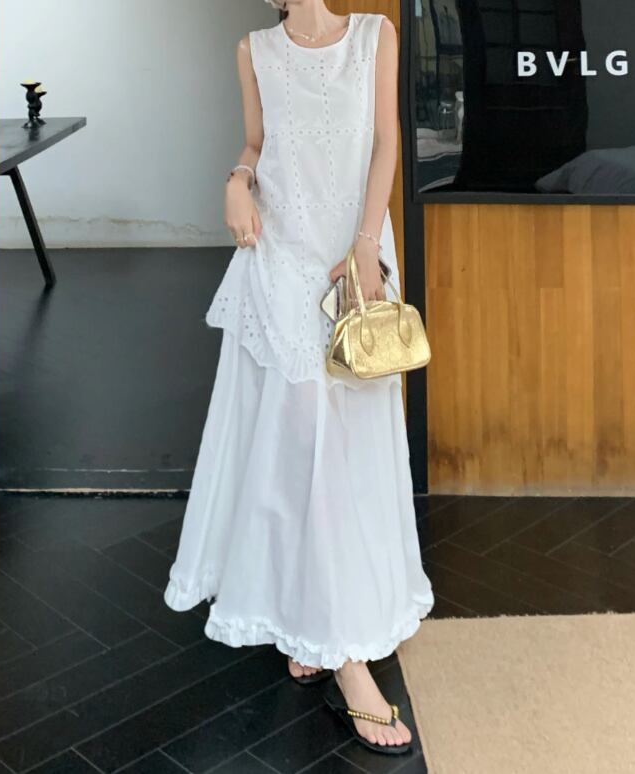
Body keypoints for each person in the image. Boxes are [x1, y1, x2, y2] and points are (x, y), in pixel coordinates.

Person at [163, 0, 434, 754]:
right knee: (301, 449)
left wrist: (365, 245)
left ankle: (318, 622)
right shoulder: (253, 50)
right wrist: (236, 179)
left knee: (346, 452)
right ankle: (345, 660)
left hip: (352, 259)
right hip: (278, 259)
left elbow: (387, 141)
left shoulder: (374, 36)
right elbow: (257, 144)